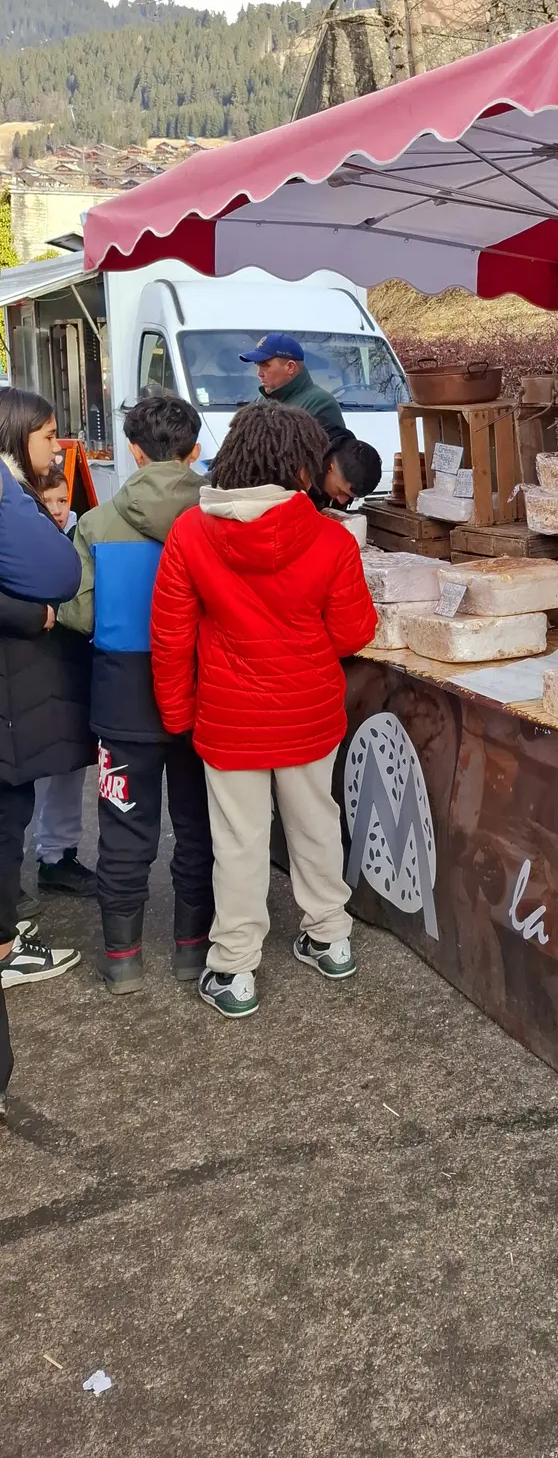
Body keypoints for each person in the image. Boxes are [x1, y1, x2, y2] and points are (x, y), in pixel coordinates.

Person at [150, 400, 376, 1019]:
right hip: (309, 712)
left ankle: (235, 967)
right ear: (305, 467)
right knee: (315, 824)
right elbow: (354, 630)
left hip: (228, 717)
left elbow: (170, 638)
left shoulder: (191, 533)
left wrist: (178, 715)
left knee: (239, 842)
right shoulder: (330, 537)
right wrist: (300, 651)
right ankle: (329, 936)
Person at [58, 393, 215, 992]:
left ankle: (122, 957)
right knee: (198, 824)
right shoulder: (216, 518)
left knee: (123, 825)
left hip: (121, 696)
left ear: (132, 450)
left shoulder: (96, 525)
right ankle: (191, 950)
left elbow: (77, 613)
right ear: (195, 451)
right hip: (203, 693)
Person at [0, 391, 92, 1118]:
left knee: (17, 808)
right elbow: (57, 575)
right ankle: (5, 944)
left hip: (20, 698)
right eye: (49, 435)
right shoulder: (7, 493)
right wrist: (35, 612)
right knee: (8, 815)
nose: (58, 445)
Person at [30, 460, 93, 897]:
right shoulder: (23, 537)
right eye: (47, 500)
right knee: (28, 771)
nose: (56, 508)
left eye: (62, 499)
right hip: (35, 663)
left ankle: (57, 854)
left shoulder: (82, 533)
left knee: (69, 766)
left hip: (70, 661)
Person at [239, 333, 345, 439]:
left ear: (290, 367)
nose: (259, 374)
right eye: (258, 366)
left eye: (265, 366)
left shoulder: (320, 403)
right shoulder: (262, 398)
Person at [312, 431, 382, 510]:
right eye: (340, 491)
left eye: (350, 497)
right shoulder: (299, 460)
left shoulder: (350, 452)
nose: (342, 501)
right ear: (330, 467)